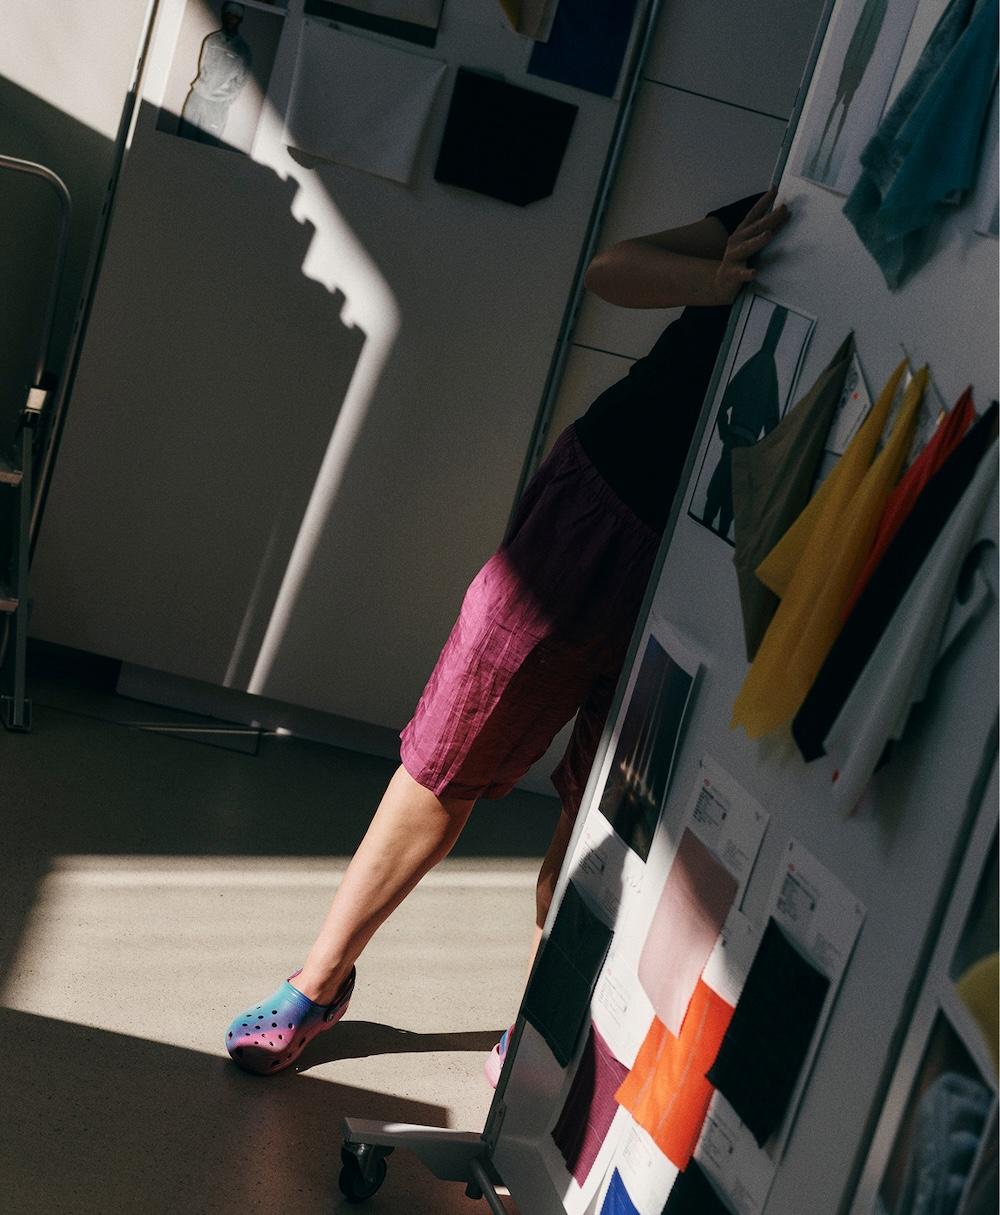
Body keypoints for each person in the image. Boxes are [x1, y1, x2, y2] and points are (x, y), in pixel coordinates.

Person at [224, 189, 789, 1079]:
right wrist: (717, 279)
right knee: (456, 737)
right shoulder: (793, 202)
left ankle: (529, 1022)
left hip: (717, 558)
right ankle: (321, 978)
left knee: (608, 800)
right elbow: (615, 269)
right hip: (604, 499)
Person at [178, 2, 252, 147]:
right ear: (224, 15)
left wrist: (222, 100)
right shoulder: (211, 40)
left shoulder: (244, 50)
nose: (231, 19)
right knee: (182, 142)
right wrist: (203, 90)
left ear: (240, 20)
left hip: (217, 107)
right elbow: (202, 67)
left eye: (236, 16)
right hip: (197, 98)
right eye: (229, 14)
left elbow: (241, 82)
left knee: (207, 148)